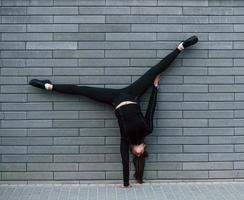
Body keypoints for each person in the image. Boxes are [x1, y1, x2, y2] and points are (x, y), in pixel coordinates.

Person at [29, 35, 199, 187]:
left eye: (138, 155)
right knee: (156, 70)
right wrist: (155, 88)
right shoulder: (148, 130)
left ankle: (48, 86)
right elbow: (151, 108)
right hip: (133, 94)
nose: (140, 152)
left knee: (83, 90)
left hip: (115, 99)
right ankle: (182, 46)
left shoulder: (125, 141)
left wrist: (126, 184)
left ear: (134, 152)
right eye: (142, 153)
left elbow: (125, 162)